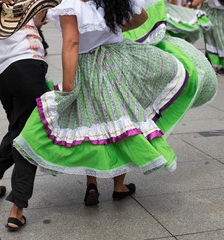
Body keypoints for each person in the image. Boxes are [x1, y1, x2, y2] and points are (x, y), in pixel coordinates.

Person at [13, 0, 217, 211]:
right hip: (119, 61)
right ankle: (119, 187)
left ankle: (91, 185)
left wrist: (68, 86)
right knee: (123, 121)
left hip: (87, 67)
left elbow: (71, 44)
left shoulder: (70, 5)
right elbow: (142, 18)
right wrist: (114, 26)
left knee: (90, 123)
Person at [0, 0, 50, 231]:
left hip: (2, 74)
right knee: (31, 134)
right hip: (25, 65)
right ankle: (17, 209)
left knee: (18, 128)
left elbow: (40, 17)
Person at [198, 0, 224, 73]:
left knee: (213, 39)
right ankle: (217, 64)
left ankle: (215, 64)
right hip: (219, 13)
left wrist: (191, 4)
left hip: (215, 14)